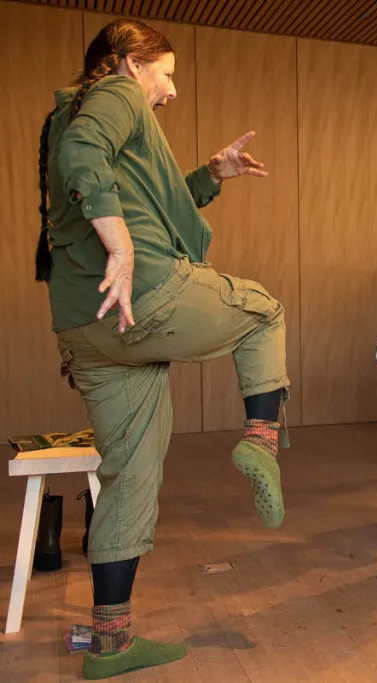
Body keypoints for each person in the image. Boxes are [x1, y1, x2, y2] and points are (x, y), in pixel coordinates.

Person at [38, 19, 288, 679]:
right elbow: (87, 158)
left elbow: (142, 194)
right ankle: (261, 438)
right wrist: (121, 249)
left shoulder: (67, 115)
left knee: (128, 481)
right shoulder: (115, 94)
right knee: (263, 311)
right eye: (166, 73)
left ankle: (110, 643)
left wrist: (211, 174)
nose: (171, 91)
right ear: (129, 62)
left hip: (86, 329)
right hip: (141, 292)